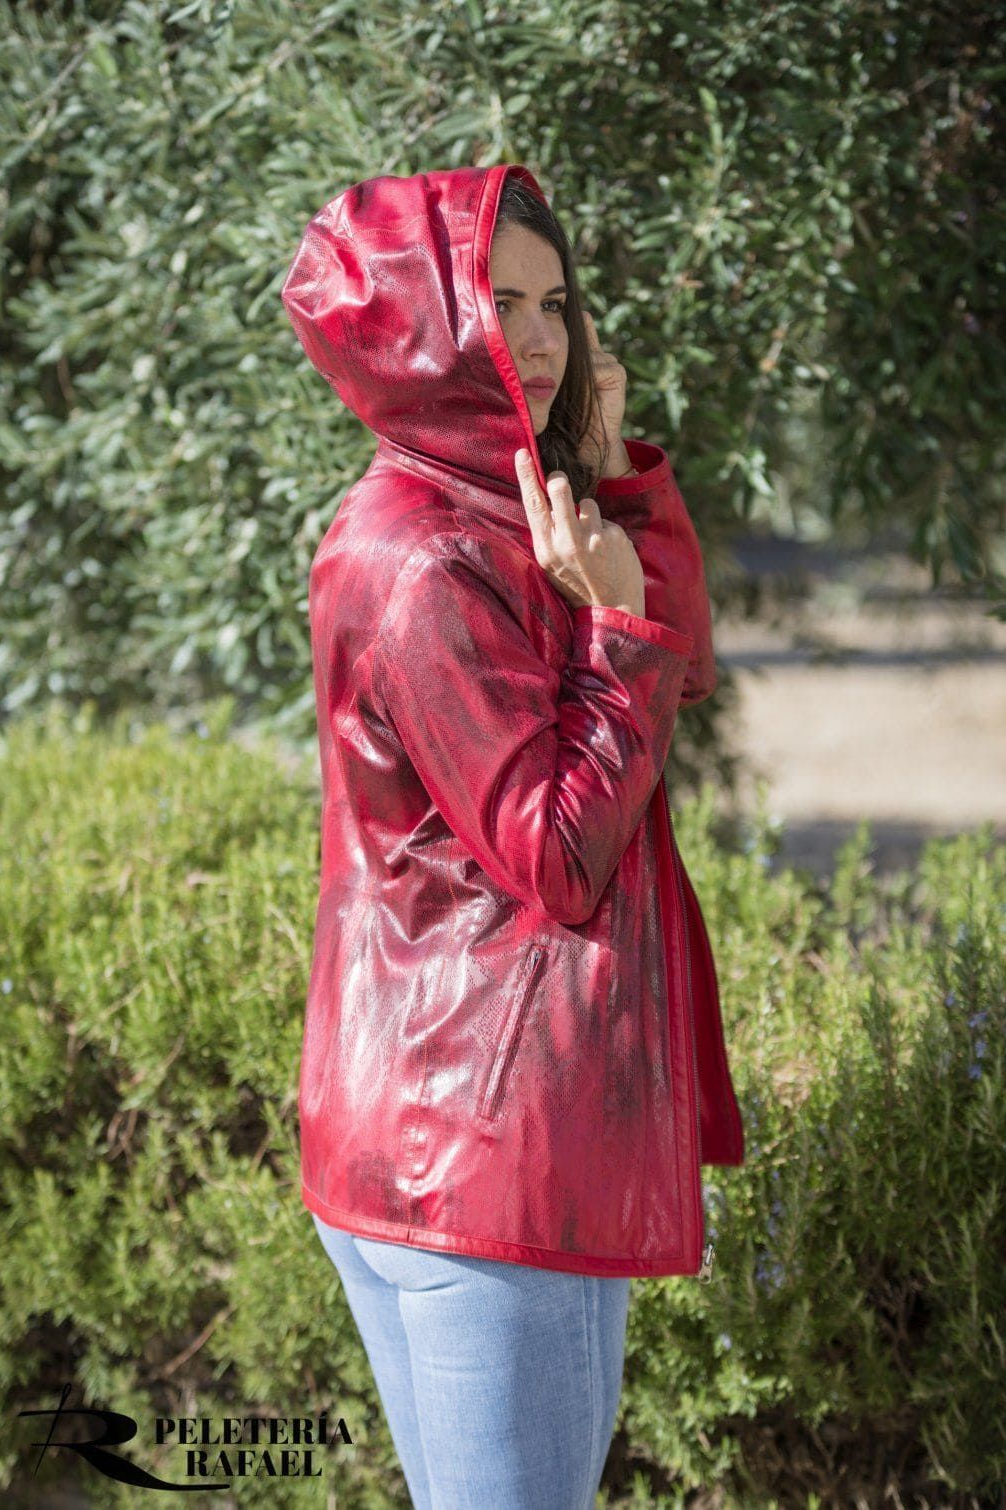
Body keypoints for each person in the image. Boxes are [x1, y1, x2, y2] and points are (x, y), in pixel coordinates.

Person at [279, 164, 744, 1510]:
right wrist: (611, 631)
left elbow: (685, 665)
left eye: (555, 304)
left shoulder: (495, 507)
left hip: (449, 1124)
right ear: (420, 326)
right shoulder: (425, 557)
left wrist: (616, 492)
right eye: (499, 302)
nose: (541, 339)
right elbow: (560, 855)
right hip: (489, 1157)